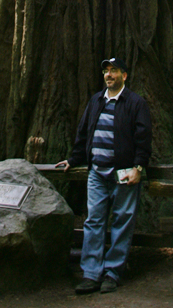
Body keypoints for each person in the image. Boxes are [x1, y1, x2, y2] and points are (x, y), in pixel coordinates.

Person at [56, 57, 152, 294]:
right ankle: (91, 273)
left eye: (114, 71)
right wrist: (74, 159)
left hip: (123, 173)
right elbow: (84, 133)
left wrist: (138, 168)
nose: (109, 75)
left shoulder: (135, 103)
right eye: (106, 71)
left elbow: (143, 139)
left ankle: (112, 273)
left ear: (124, 75)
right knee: (94, 221)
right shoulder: (96, 101)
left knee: (121, 221)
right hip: (97, 173)